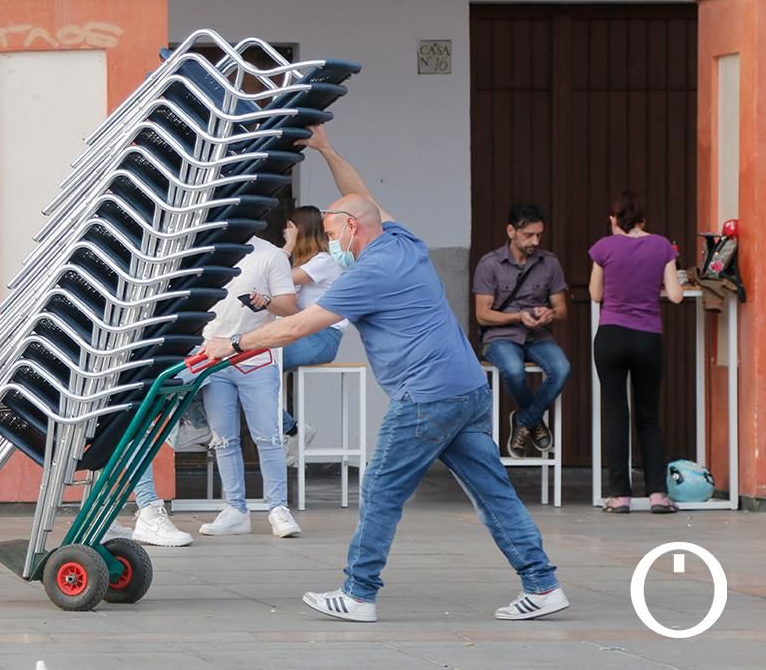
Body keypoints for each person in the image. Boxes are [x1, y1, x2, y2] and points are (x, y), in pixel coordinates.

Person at [200, 123, 567, 623]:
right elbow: (363, 195)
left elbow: (298, 325)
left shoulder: (369, 273)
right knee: (493, 491)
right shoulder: (402, 241)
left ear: (353, 229)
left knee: (379, 488)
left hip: (426, 397)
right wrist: (327, 148)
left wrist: (232, 344)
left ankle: (357, 593)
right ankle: (543, 585)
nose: (329, 248)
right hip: (466, 390)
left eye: (331, 236)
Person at [122, 232, 304, 544]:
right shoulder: (207, 250)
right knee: (223, 438)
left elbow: (290, 306)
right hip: (210, 355)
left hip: (255, 356)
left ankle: (278, 509)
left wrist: (267, 302)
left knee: (268, 435)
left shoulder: (270, 254)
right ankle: (235, 509)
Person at [589, 190, 684, 514]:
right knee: (648, 416)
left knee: (616, 416)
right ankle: (658, 494)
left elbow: (595, 293)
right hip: (648, 339)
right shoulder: (662, 246)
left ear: (615, 219)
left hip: (612, 337)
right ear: (642, 220)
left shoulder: (604, 247)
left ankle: (620, 497)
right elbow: (675, 296)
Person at [473, 202, 570, 458]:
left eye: (539, 234)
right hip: (499, 337)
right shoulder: (489, 264)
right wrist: (518, 316)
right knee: (514, 371)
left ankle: (524, 419)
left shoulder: (549, 263)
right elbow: (482, 314)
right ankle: (534, 421)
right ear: (511, 231)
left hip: (537, 336)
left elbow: (562, 308)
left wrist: (550, 312)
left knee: (561, 369)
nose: (535, 240)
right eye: (528, 235)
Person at [279, 206, 346, 459]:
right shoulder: (310, 264)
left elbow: (276, 276)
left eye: (289, 229)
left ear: (300, 231)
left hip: (321, 338)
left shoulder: (324, 262)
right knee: (256, 370)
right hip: (307, 335)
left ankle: (293, 431)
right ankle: (292, 430)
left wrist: (287, 247)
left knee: (260, 367)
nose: (284, 233)